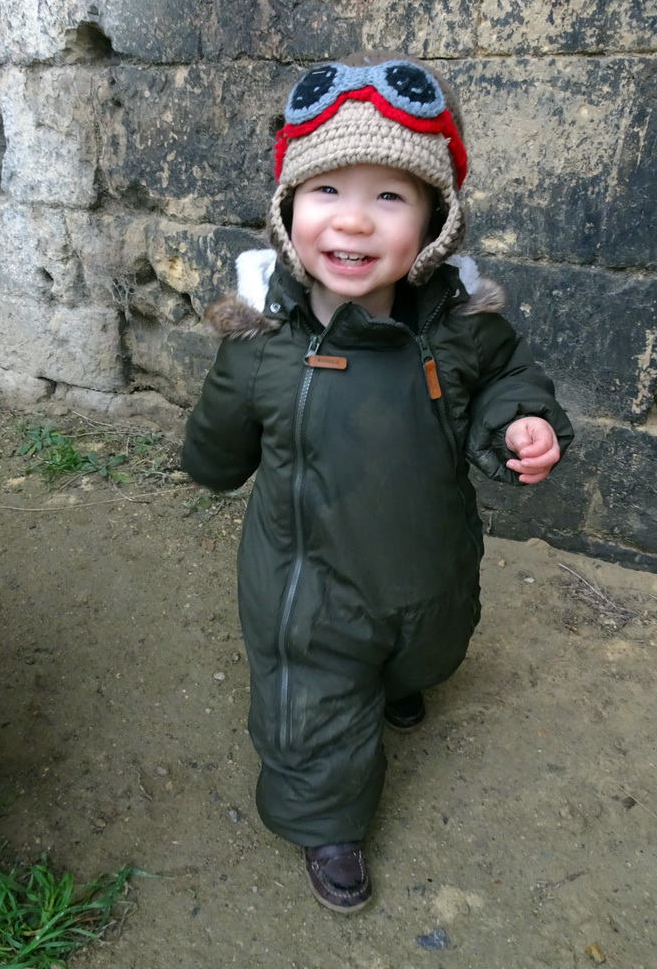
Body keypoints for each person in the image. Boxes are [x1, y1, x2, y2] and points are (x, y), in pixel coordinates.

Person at [181, 52, 574, 913]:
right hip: (307, 585)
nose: (353, 224)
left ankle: (396, 680)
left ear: (436, 220)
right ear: (288, 207)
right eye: (327, 192)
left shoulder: (463, 329)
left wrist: (521, 421)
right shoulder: (264, 348)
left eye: (389, 197)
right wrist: (224, 389)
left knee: (427, 648)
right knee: (315, 703)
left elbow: (511, 375)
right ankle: (327, 819)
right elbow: (213, 459)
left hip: (426, 561)